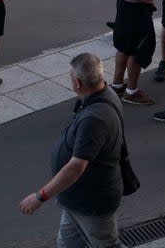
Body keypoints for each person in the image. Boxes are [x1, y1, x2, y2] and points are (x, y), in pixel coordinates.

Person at [18, 53, 125, 248]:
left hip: (91, 201)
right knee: (68, 244)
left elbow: (76, 166)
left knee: (107, 245)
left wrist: (40, 196)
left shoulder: (95, 119)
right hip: (76, 197)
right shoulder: (104, 94)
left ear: (77, 83)